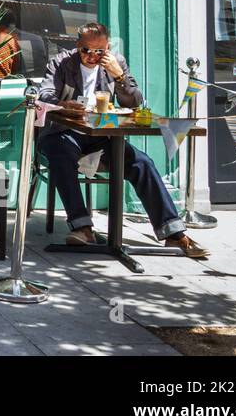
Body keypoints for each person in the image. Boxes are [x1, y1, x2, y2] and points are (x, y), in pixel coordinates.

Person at [37, 22, 210, 258]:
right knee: (61, 155)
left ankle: (173, 233)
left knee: (142, 163)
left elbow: (134, 102)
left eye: (98, 51)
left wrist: (119, 76)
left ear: (107, 48)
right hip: (64, 131)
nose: (91, 56)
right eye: (85, 50)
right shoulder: (61, 63)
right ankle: (82, 228)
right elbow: (45, 93)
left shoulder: (115, 63)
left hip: (102, 135)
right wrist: (64, 104)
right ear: (78, 46)